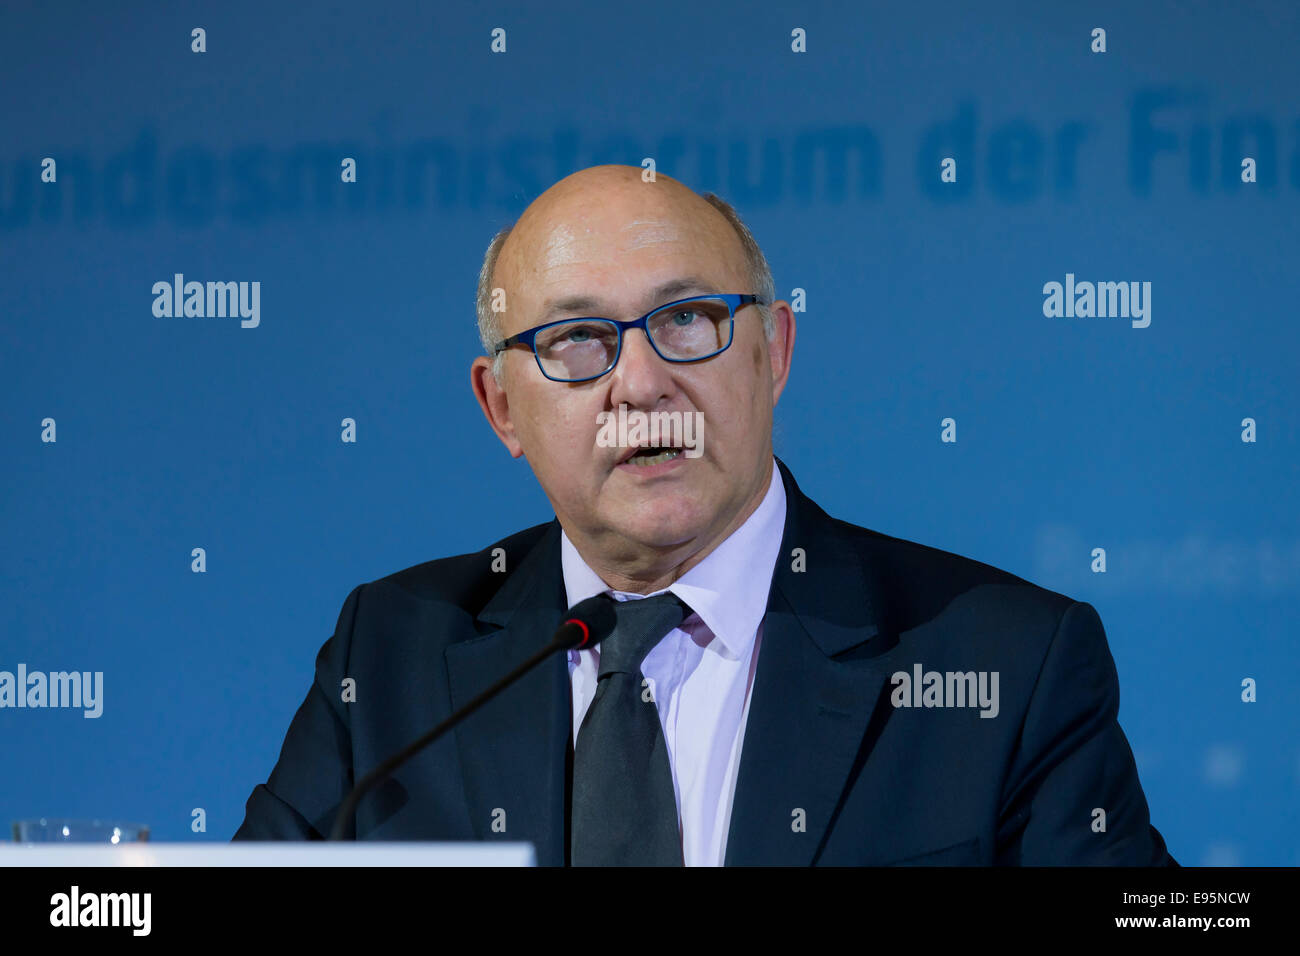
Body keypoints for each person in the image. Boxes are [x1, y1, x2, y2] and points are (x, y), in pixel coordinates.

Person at [233, 165, 1175, 866]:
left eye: (687, 318)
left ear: (775, 350)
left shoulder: (1004, 663)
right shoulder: (392, 656)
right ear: (503, 408)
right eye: (576, 340)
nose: (642, 383)